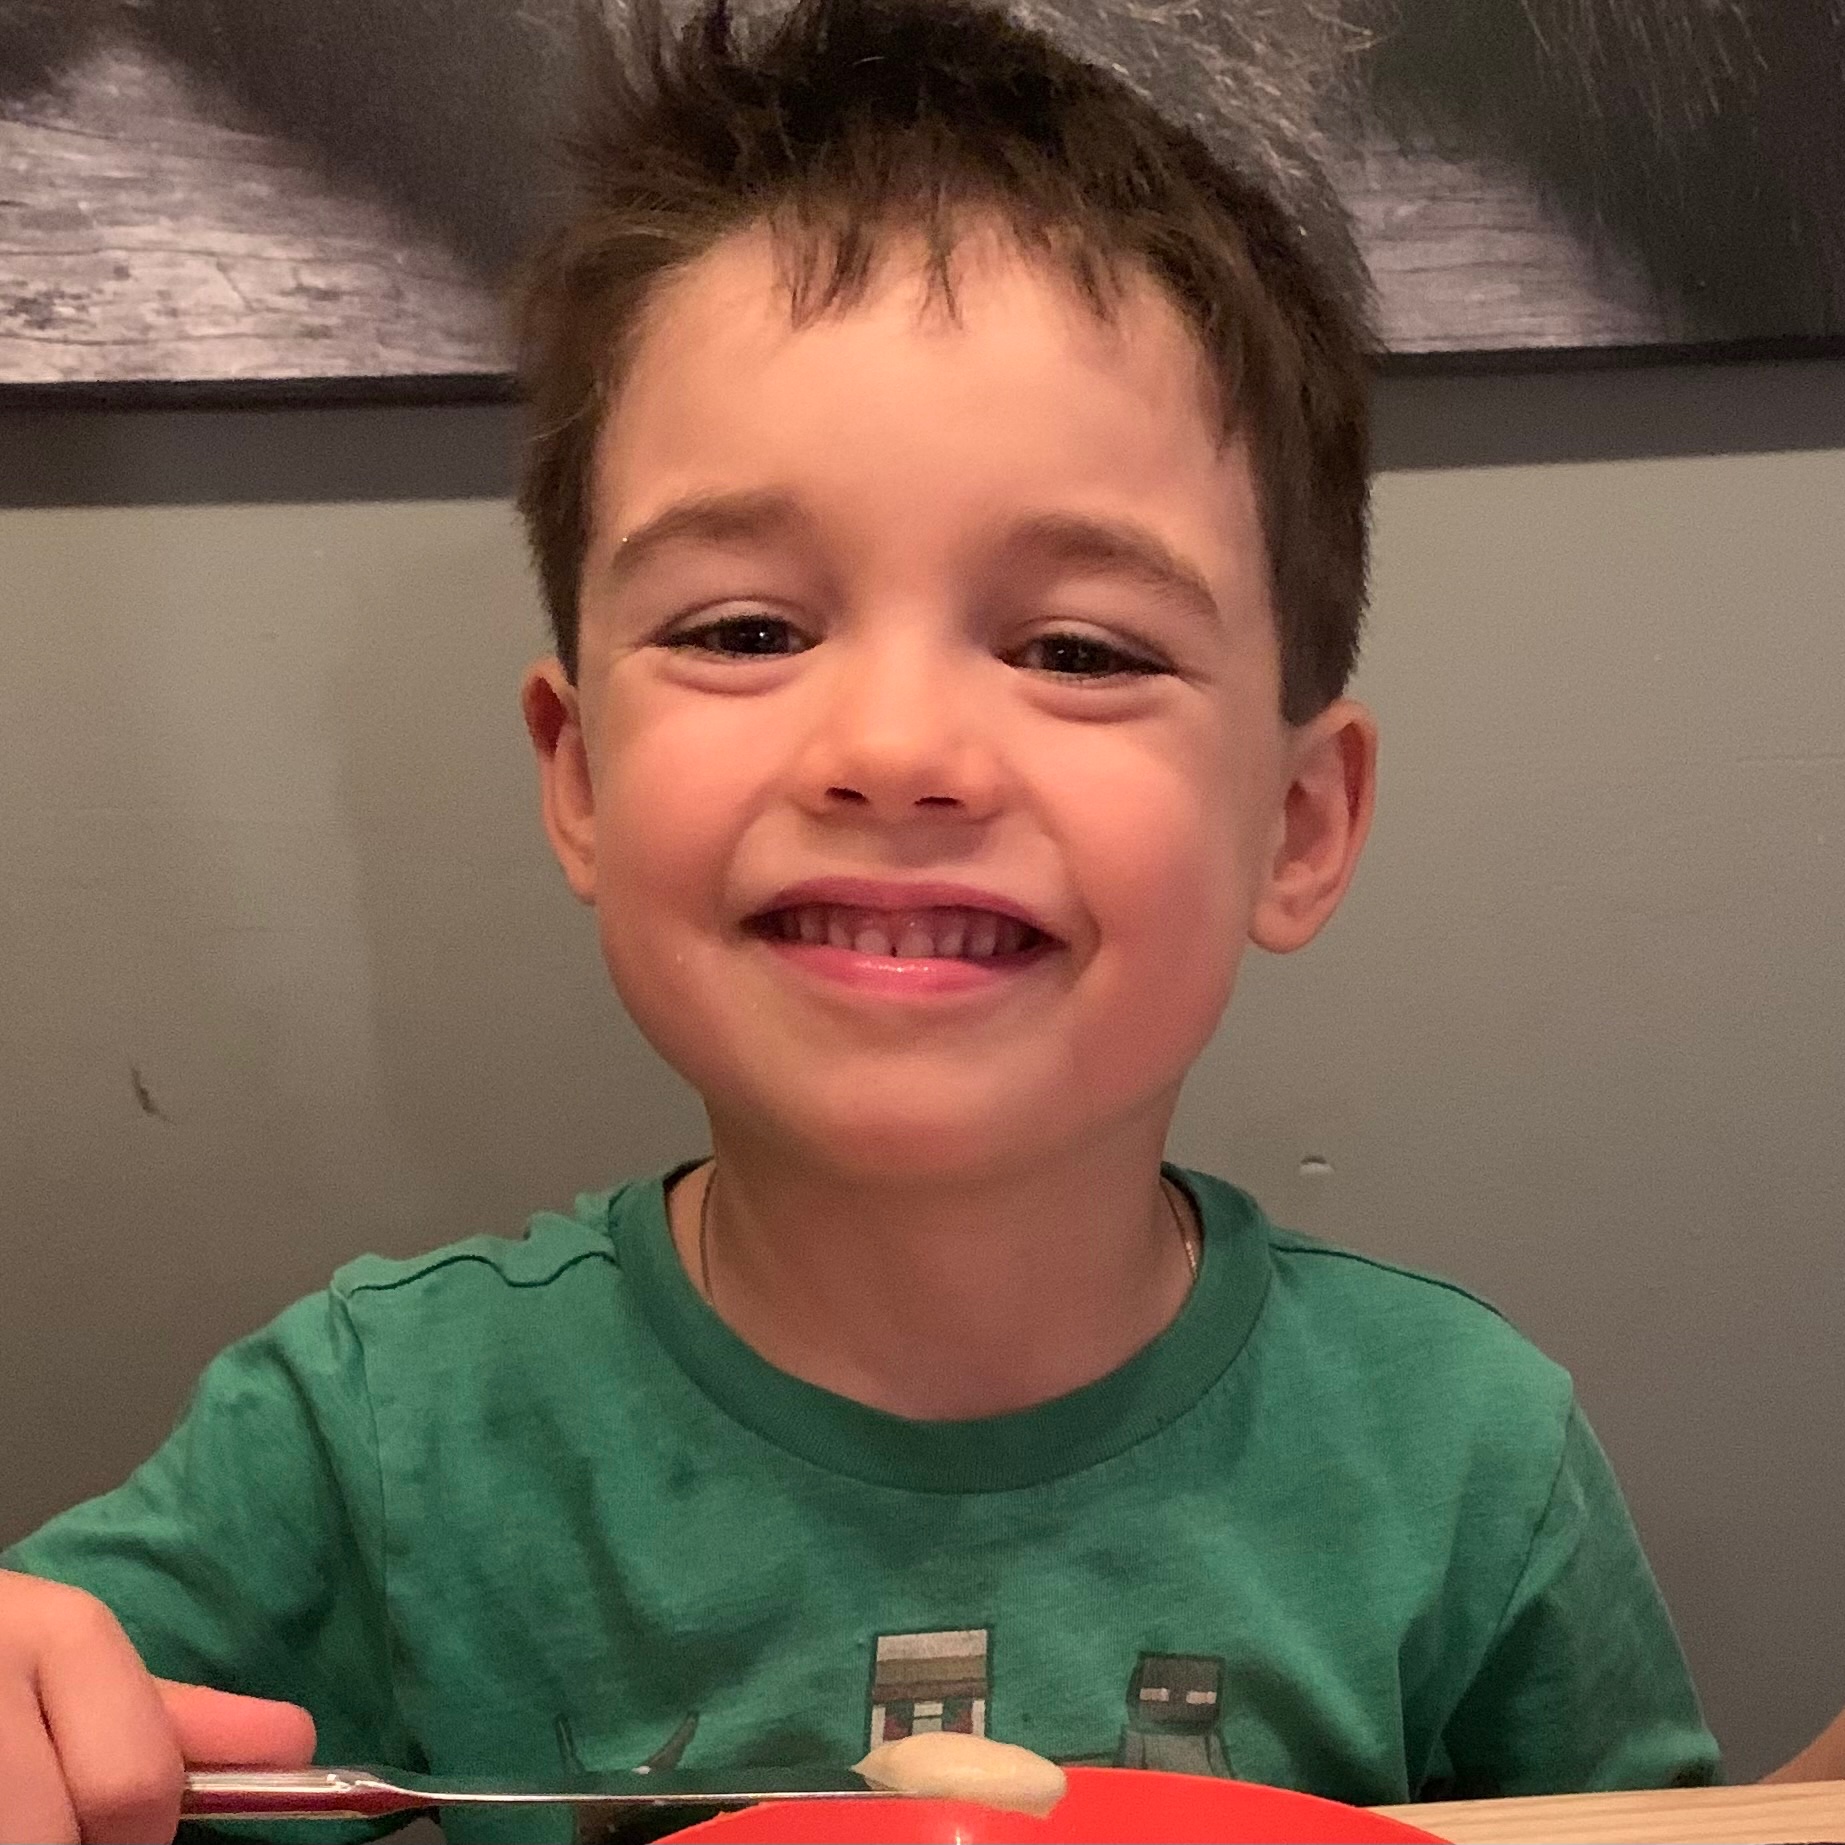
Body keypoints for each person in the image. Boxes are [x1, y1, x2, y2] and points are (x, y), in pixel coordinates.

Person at [0, 0, 1720, 1838]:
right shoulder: (362, 1442)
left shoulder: (1463, 1453)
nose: (896, 751)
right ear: (579, 776)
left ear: (1296, 827)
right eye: (745, 629)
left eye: (1080, 649)